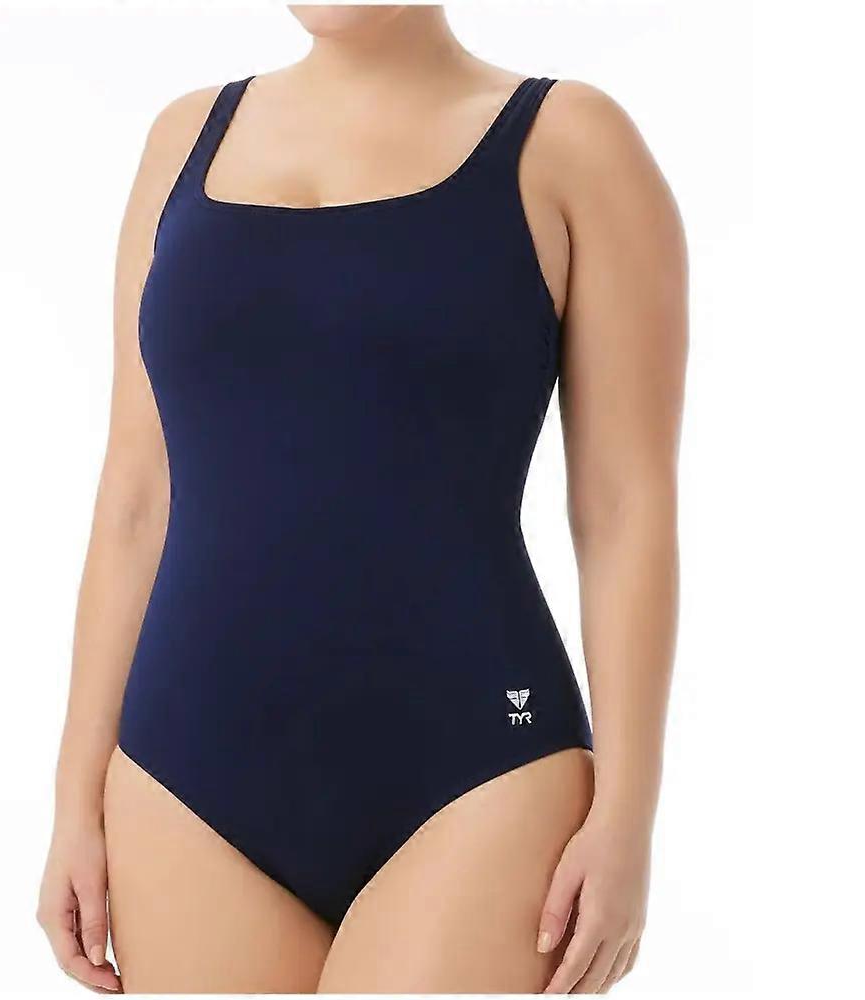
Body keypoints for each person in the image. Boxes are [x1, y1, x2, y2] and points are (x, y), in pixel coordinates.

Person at [37, 4, 686, 993]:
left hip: (480, 765)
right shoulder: (182, 139)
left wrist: (628, 816)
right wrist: (72, 802)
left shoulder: (569, 142)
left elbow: (624, 507)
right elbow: (135, 494)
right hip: (184, 776)